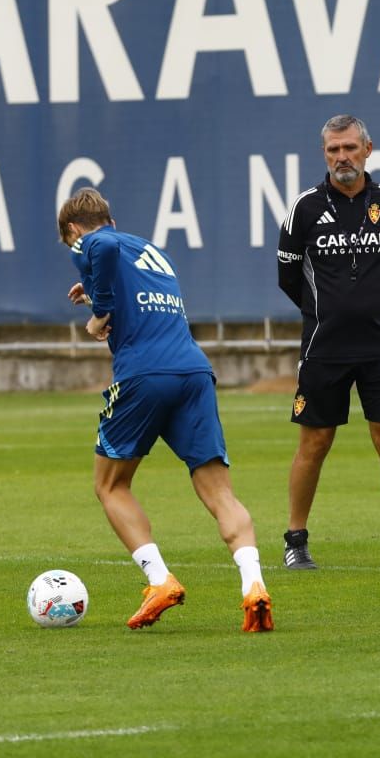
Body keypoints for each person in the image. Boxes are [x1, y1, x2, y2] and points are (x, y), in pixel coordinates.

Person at [58, 186, 273, 634]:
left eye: (71, 244)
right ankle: (254, 586)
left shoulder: (93, 241)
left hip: (144, 375)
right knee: (220, 492)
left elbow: (102, 246)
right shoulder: (153, 251)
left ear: (74, 231)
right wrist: (98, 294)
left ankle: (160, 581)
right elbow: (130, 283)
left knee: (110, 485)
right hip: (193, 371)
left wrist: (98, 315)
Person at [276, 115, 380, 571]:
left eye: (350, 148)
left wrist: (368, 307)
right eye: (333, 150)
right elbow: (288, 278)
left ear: (367, 149)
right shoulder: (303, 209)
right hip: (323, 347)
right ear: (324, 154)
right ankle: (296, 540)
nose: (342, 157)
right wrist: (332, 311)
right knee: (314, 442)